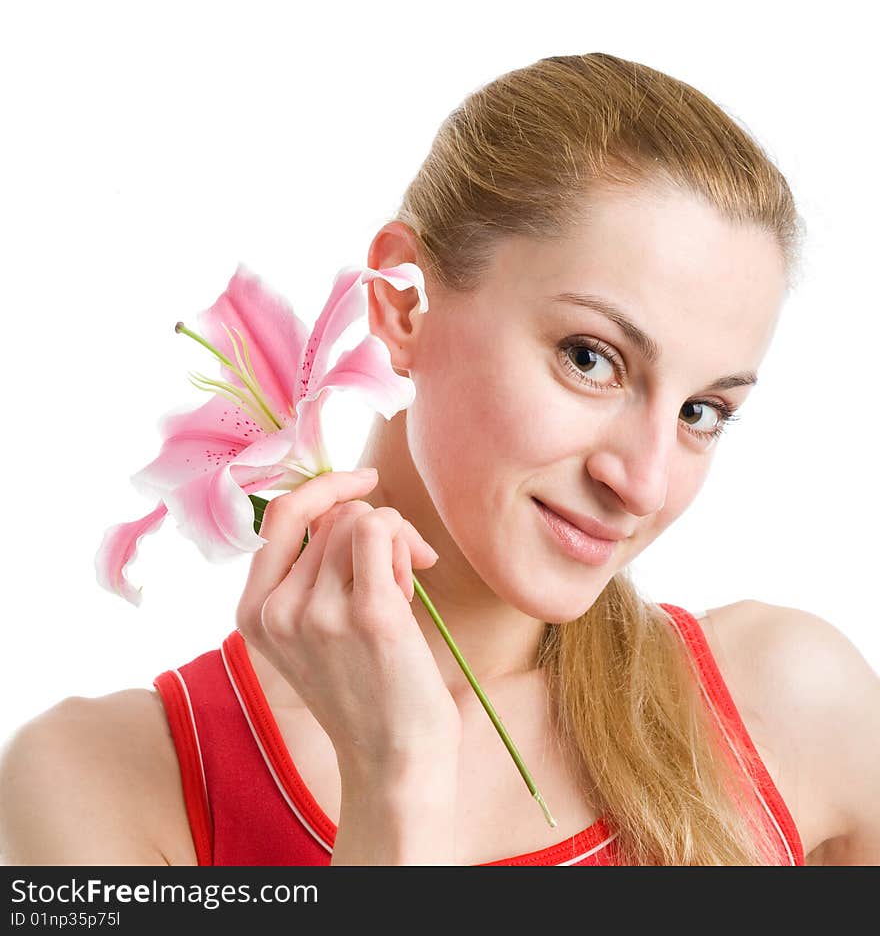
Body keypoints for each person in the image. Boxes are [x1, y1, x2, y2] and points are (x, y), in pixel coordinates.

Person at [2, 51, 878, 867]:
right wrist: (399, 776)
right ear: (401, 304)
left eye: (701, 411)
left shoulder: (794, 704)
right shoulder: (105, 784)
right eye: (590, 358)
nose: (642, 483)